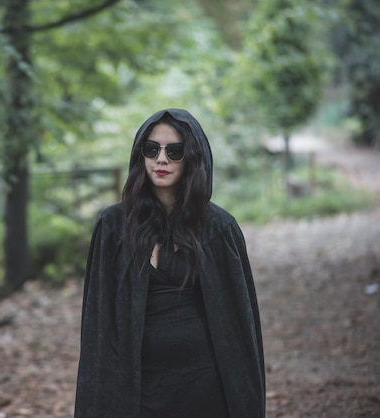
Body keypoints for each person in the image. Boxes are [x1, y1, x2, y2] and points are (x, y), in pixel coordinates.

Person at [74, 108, 265, 417]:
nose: (161, 159)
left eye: (174, 151)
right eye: (152, 149)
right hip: (135, 389)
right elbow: (98, 324)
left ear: (192, 157)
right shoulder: (113, 227)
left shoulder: (219, 228)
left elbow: (240, 329)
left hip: (204, 389)